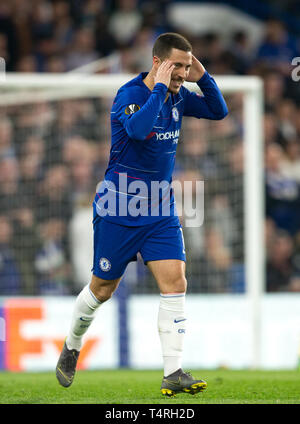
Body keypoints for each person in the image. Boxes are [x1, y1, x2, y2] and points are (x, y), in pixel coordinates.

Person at [56, 32, 228, 396]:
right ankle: (72, 345)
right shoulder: (130, 95)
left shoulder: (179, 96)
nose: (182, 72)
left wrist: (204, 76)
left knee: (176, 281)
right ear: (158, 63)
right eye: (177, 65)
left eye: (186, 65)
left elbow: (218, 110)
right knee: (102, 289)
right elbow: (137, 130)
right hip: (119, 208)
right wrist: (159, 89)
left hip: (159, 209)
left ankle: (173, 371)